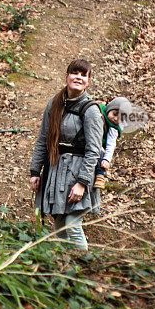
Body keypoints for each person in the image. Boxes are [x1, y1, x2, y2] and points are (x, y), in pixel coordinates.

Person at [29, 58, 104, 250]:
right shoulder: (54, 103)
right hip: (56, 170)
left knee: (72, 224)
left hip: (78, 173)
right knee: (59, 225)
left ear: (88, 80)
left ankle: (87, 267)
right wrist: (35, 171)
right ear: (67, 76)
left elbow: (94, 150)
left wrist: (82, 183)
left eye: (83, 75)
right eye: (74, 73)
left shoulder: (91, 110)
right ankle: (63, 269)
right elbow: (43, 139)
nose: (78, 78)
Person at [93, 97, 131, 190]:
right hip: (89, 137)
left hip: (99, 144)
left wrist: (107, 159)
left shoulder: (113, 128)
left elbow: (111, 144)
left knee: (100, 153)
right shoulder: (97, 109)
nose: (115, 119)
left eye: (120, 118)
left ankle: (100, 176)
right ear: (109, 109)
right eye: (114, 114)